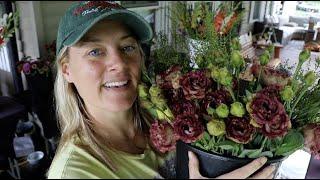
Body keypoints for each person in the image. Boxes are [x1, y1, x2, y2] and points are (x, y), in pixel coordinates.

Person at [47, 1, 277, 179]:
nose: (119, 62)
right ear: (67, 70)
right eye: (95, 51)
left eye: (128, 47)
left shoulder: (168, 117)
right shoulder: (75, 171)